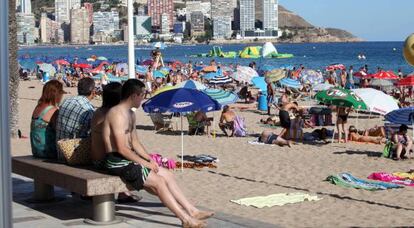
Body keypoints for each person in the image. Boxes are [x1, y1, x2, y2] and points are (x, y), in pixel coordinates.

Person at [102, 79, 212, 227]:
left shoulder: (130, 114)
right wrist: (144, 163)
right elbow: (121, 148)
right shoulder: (116, 114)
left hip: (127, 158)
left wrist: (149, 159)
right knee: (159, 182)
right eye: (142, 95)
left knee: (167, 174)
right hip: (116, 161)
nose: (143, 98)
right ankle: (185, 220)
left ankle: (191, 210)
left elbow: (135, 142)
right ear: (134, 95)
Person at [56, 77, 96, 162]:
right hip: (74, 155)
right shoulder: (88, 110)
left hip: (60, 150)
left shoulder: (67, 101)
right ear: (93, 92)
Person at [30, 80, 65, 159]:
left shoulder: (38, 107)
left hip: (36, 151)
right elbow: (59, 132)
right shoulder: (53, 111)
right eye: (61, 94)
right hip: (49, 153)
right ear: (56, 95)